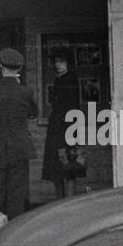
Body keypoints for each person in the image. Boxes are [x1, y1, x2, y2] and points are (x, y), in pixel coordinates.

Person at [0, 47, 38, 219]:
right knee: (17, 193)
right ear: (19, 69)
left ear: (1, 67)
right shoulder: (26, 92)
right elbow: (34, 113)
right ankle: (13, 233)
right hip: (19, 148)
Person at [41, 50, 82, 200]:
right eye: (56, 62)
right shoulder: (59, 80)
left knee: (68, 164)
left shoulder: (70, 79)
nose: (58, 65)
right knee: (57, 166)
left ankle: (69, 199)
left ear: (68, 63)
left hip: (67, 126)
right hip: (57, 126)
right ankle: (60, 199)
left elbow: (72, 106)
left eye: (61, 61)